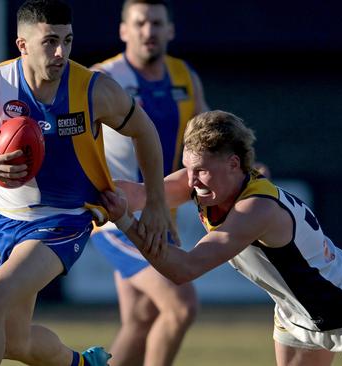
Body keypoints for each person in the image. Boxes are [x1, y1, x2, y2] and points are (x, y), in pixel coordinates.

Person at [0, 1, 176, 365]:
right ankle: (83, 363)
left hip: (65, 218)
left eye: (67, 41)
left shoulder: (93, 89)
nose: (61, 52)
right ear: (22, 44)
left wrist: (156, 202)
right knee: (12, 341)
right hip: (3, 219)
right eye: (50, 41)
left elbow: (144, 130)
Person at [101, 110, 342, 366]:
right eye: (187, 169)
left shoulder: (256, 210)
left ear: (233, 164)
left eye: (200, 171)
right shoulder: (207, 182)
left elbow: (184, 269)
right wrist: (89, 194)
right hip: (294, 314)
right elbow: (141, 193)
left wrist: (124, 221)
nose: (192, 181)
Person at [89, 1, 208, 365]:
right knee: (181, 305)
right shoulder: (101, 79)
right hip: (117, 215)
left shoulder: (184, 77)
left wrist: (243, 168)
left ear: (170, 30)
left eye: (156, 23)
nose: (148, 31)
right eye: (139, 23)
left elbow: (208, 139)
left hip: (161, 213)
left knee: (141, 318)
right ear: (124, 31)